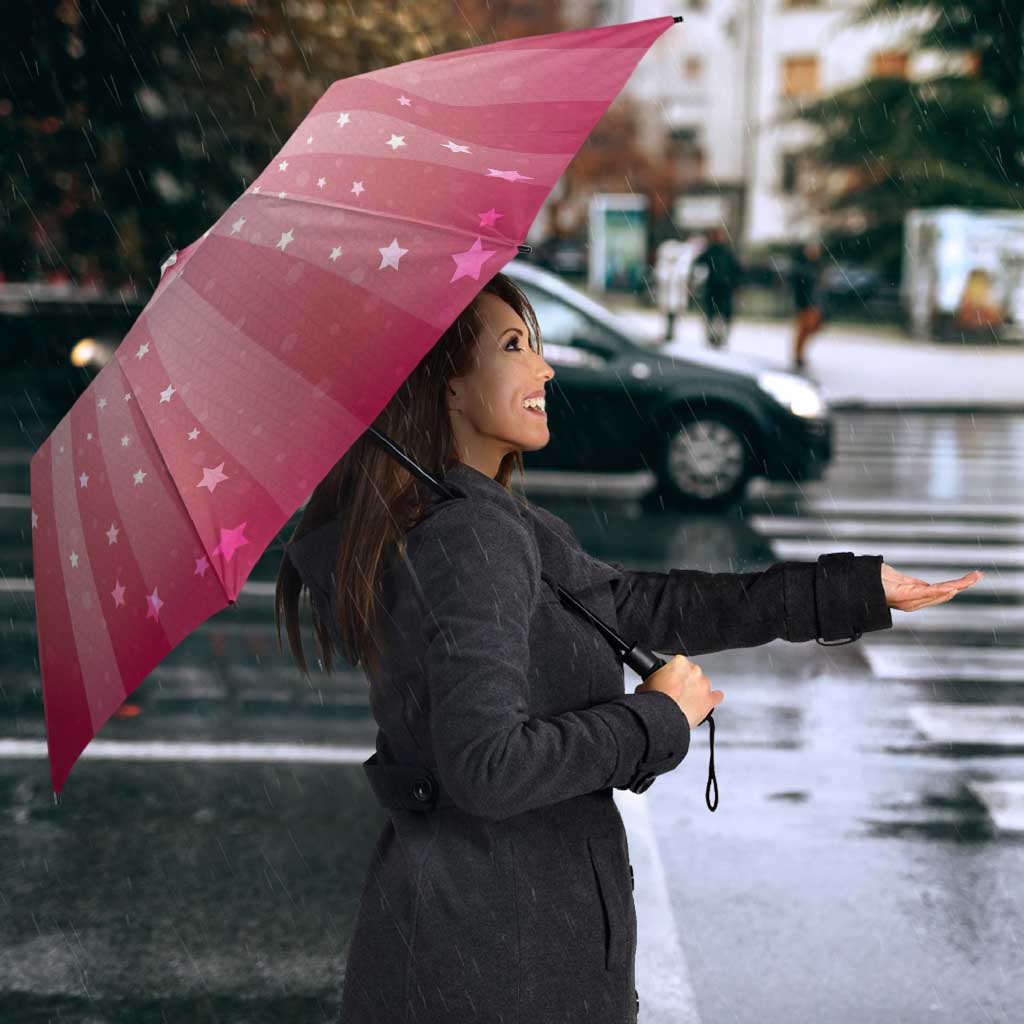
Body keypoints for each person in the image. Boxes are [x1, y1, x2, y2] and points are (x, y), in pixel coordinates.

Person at [274, 271, 966, 1024]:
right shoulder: (469, 537)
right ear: (446, 386)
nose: (544, 368)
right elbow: (488, 768)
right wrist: (658, 720)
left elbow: (637, 604)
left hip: (472, 944)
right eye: (514, 346)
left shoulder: (469, 518)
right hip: (499, 963)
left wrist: (850, 591)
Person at [692, 226, 742, 349]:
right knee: (713, 314)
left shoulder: (725, 252)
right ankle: (713, 337)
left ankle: (719, 337)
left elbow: (736, 270)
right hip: (715, 288)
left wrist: (735, 284)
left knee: (720, 315)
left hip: (723, 288)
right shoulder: (712, 251)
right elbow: (698, 264)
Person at [790, 239, 826, 370]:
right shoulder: (802, 267)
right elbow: (799, 286)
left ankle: (799, 354)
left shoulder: (817, 266)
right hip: (805, 303)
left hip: (814, 303)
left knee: (812, 328)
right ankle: (798, 355)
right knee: (804, 329)